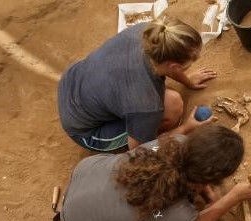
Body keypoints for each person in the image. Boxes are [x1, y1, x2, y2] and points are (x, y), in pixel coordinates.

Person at [59, 124, 251, 221]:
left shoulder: (175, 142)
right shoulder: (178, 217)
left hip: (85, 177)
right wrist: (233, 197)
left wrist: (201, 185)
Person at [58, 16, 218, 152]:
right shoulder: (146, 105)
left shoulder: (149, 33)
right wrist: (186, 128)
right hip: (86, 131)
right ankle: (141, 130)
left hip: (74, 82)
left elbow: (168, 66)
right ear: (174, 66)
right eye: (189, 62)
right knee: (172, 111)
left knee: (171, 101)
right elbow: (139, 151)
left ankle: (137, 122)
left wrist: (188, 81)